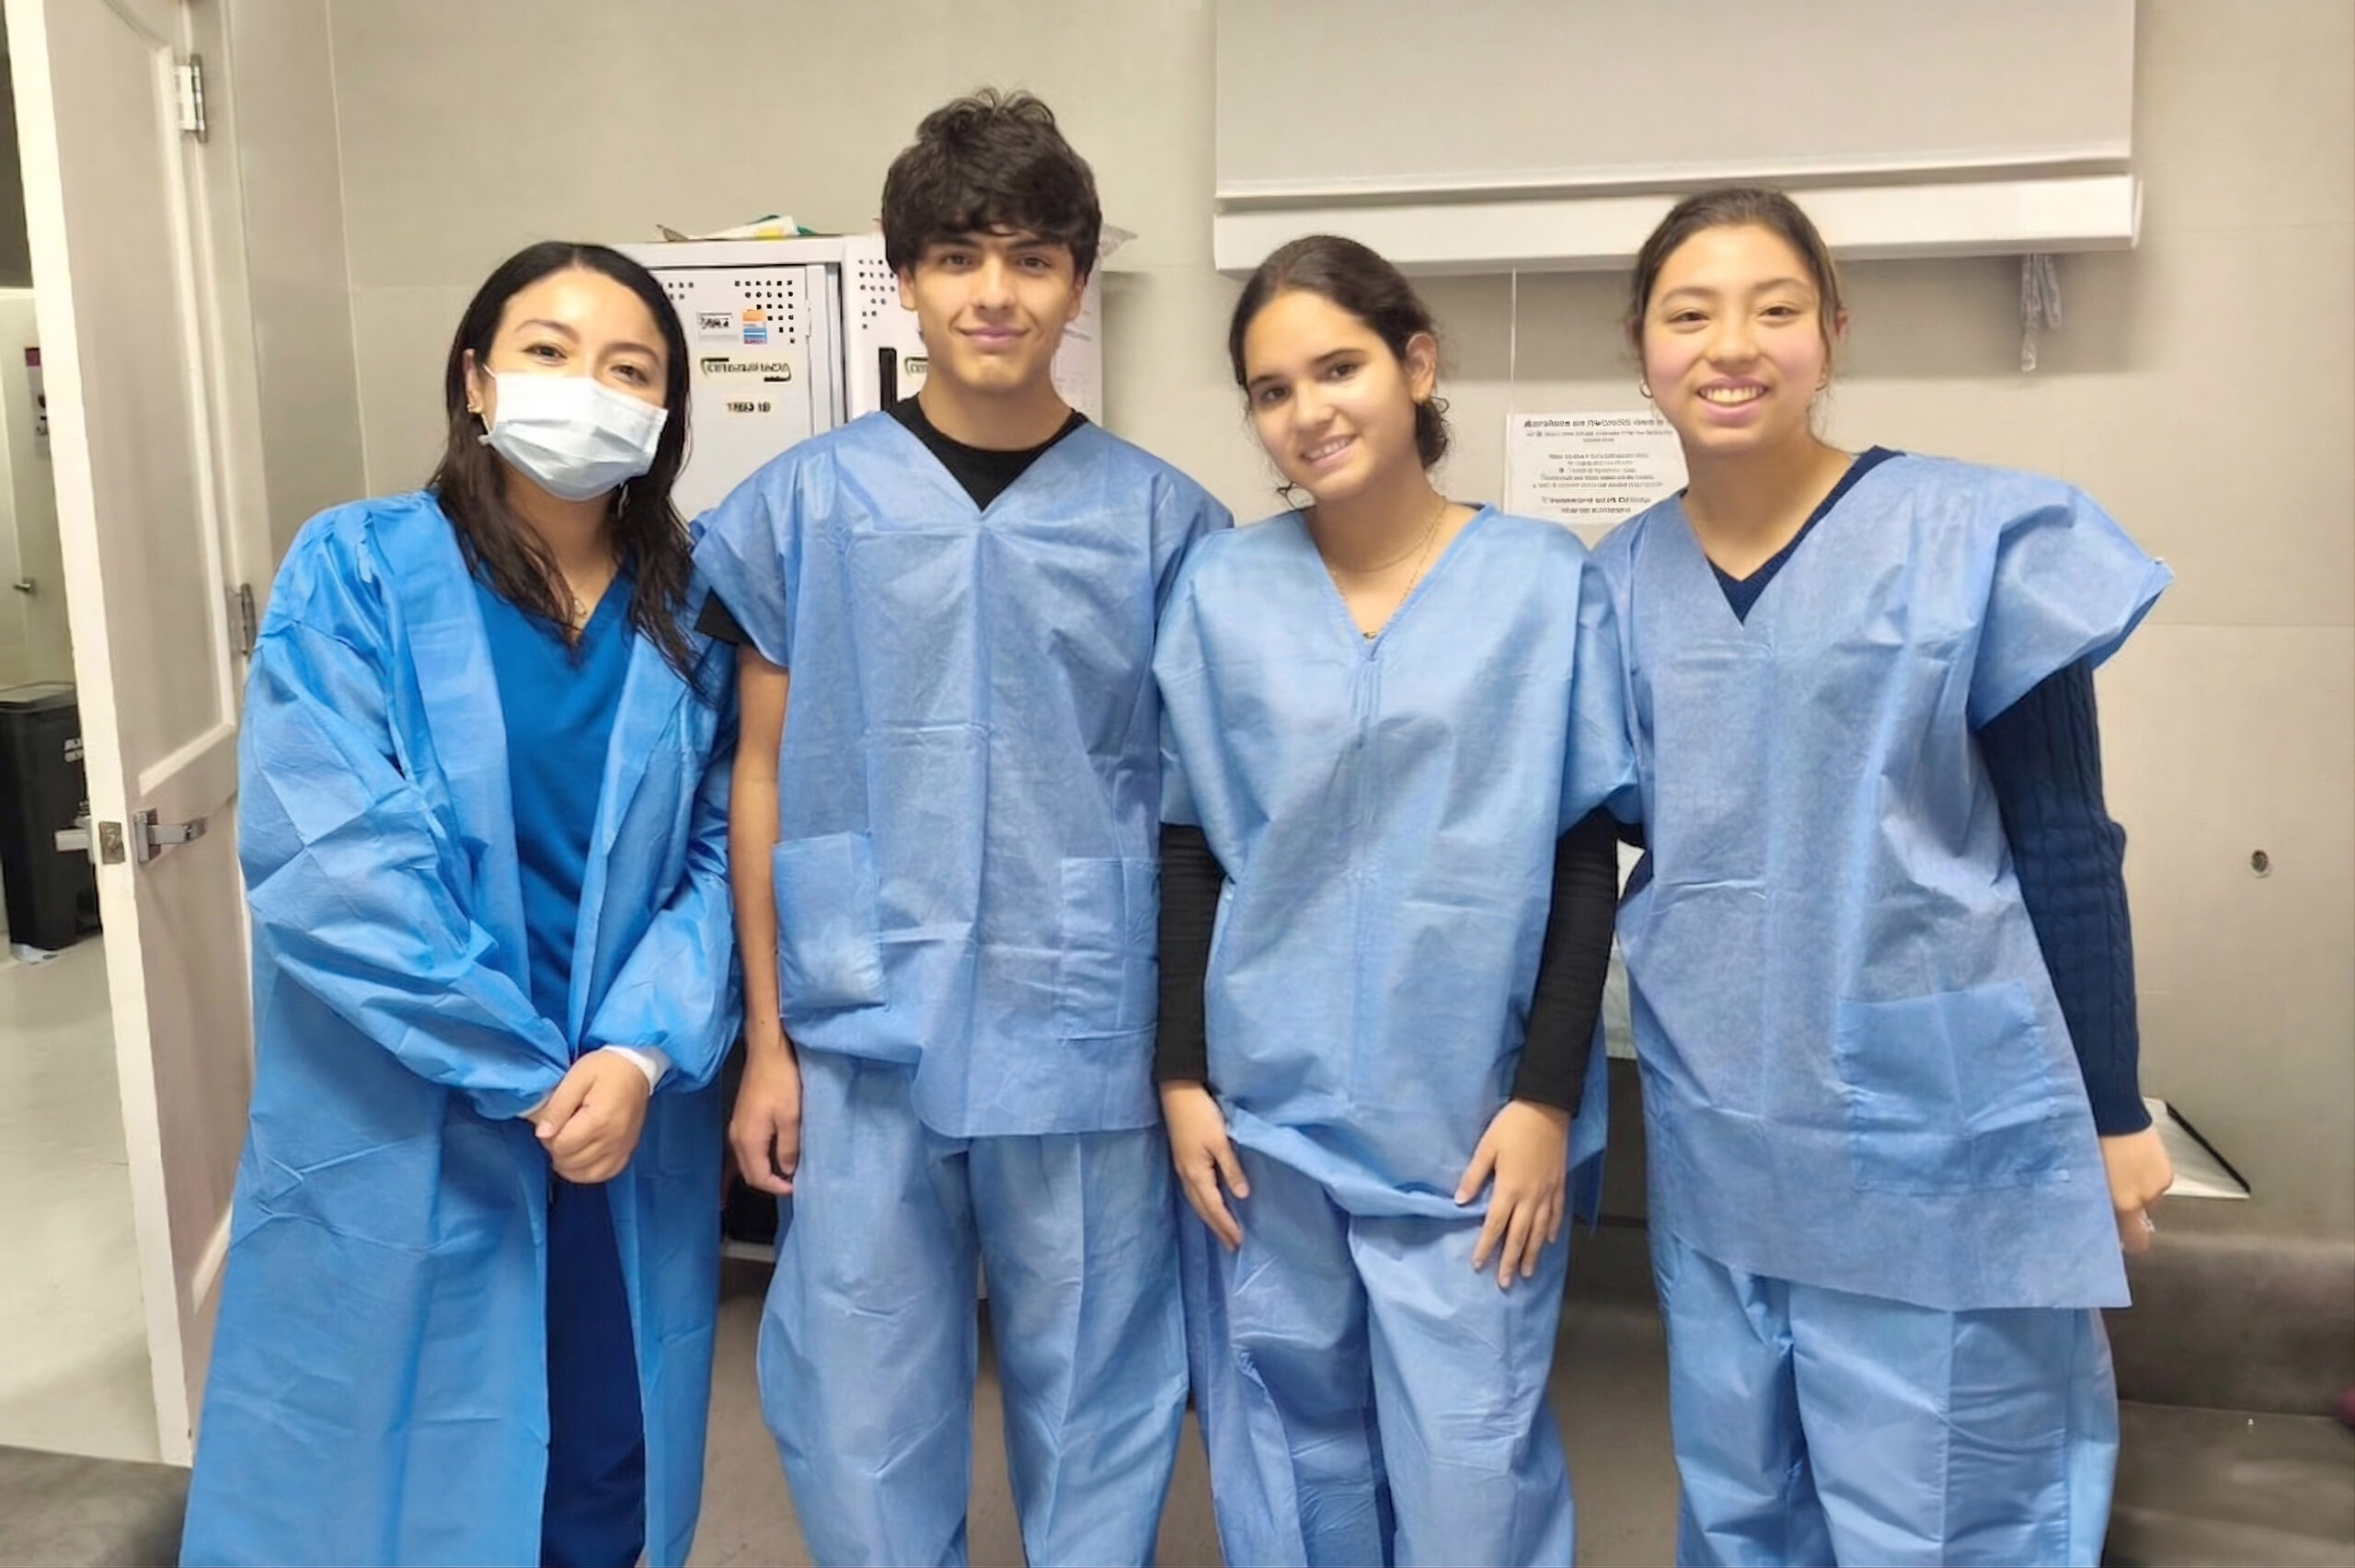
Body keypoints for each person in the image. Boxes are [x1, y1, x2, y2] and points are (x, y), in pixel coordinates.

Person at [1595, 186, 2176, 1567]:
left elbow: (2068, 844)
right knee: (1744, 1504)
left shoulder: (1971, 537)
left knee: (1950, 1514)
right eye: (1691, 313)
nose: (1732, 345)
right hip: (1723, 1129)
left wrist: (2112, 1110)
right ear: (1642, 347)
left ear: (1833, 331)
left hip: (1941, 1138)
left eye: (1775, 308)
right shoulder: (1613, 583)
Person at [695, 90, 1230, 1567]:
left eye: (1033, 257)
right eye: (957, 256)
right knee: (861, 1378)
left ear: (1077, 280)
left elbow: (1196, 808)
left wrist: (1188, 1052)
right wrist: (767, 1042)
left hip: (1087, 1022)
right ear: (905, 278)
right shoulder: (801, 507)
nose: (995, 293)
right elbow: (759, 775)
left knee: (1101, 1378)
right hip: (859, 1016)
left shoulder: (1167, 525)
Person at [179, 242, 740, 1568]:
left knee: (603, 1450)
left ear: (664, 414)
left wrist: (637, 1051)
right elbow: (330, 859)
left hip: (619, 1118)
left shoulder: (698, 601)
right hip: (406, 1105)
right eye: (549, 351)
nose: (588, 386)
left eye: (630, 368)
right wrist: (526, 1073)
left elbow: (729, 853)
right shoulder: (357, 568)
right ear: (477, 380)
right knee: (377, 1456)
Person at [1155, 234, 1636, 1568]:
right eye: (1270, 390)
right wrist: (1180, 1075)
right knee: (1290, 1455)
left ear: (1416, 365)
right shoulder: (1222, 590)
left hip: (1470, 1124)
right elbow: (1191, 845)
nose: (1307, 411)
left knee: (1470, 1469)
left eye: (1339, 368)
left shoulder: (1541, 582)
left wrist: (1546, 1100)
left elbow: (1581, 852)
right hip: (1263, 1114)